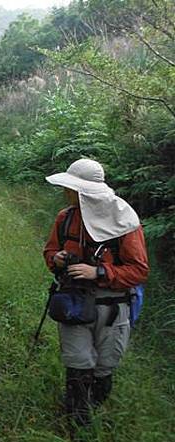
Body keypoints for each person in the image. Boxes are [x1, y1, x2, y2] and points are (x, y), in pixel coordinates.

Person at [43, 159, 149, 426]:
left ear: (85, 192)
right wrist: (56, 259)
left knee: (104, 367)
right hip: (74, 303)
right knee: (78, 362)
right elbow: (49, 252)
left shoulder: (125, 221)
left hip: (112, 308)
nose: (66, 193)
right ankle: (77, 423)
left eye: (71, 189)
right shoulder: (65, 218)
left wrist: (99, 272)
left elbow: (138, 271)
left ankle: (94, 413)